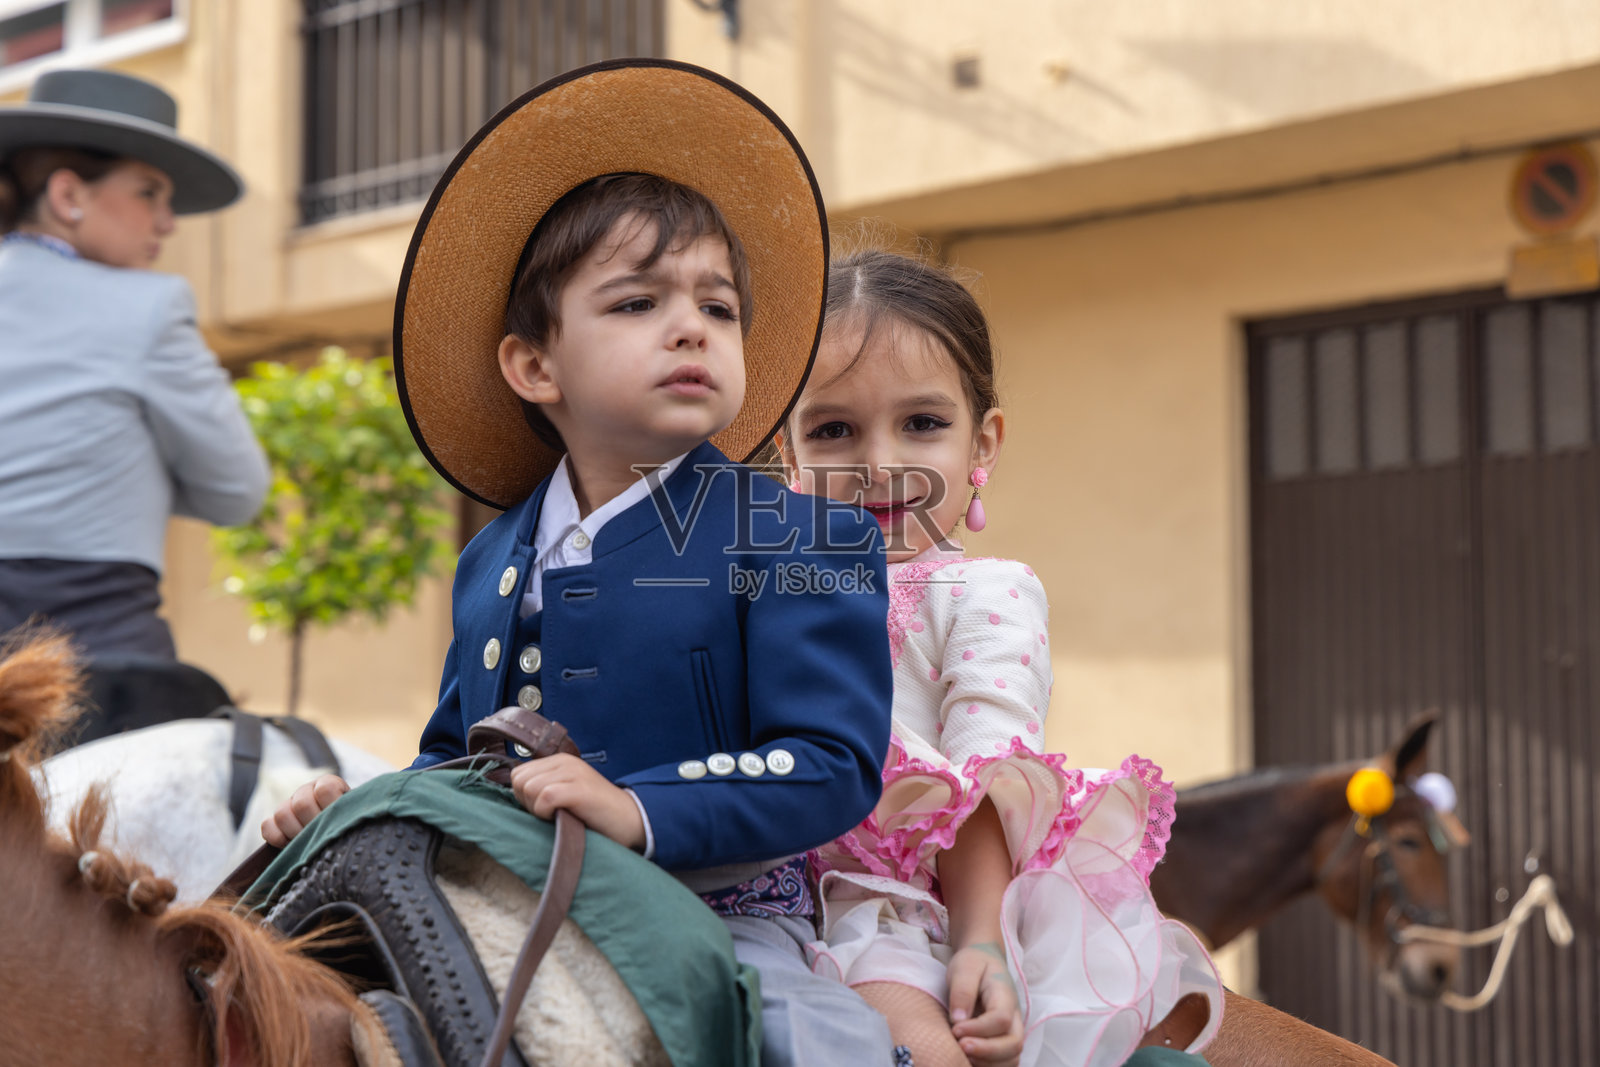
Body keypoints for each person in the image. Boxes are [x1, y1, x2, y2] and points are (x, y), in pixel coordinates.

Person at [264, 61, 900, 1066]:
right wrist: (358, 798)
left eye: (718, 307)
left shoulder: (804, 534)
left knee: (813, 1045)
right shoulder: (487, 560)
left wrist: (638, 807)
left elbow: (829, 764)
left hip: (720, 917)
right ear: (535, 366)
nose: (691, 325)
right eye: (638, 302)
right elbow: (456, 758)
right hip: (493, 901)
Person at [775, 249, 1224, 1067]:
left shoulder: (986, 594)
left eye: (922, 423)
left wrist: (977, 944)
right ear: (787, 453)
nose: (880, 463)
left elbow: (983, 778)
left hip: (912, 913)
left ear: (983, 440)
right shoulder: (764, 591)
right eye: (834, 428)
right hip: (766, 901)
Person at [0, 69, 268, 661]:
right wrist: (126, 461)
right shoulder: (146, 304)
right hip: (90, 657)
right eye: (149, 193)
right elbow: (237, 492)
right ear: (69, 196)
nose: (168, 224)